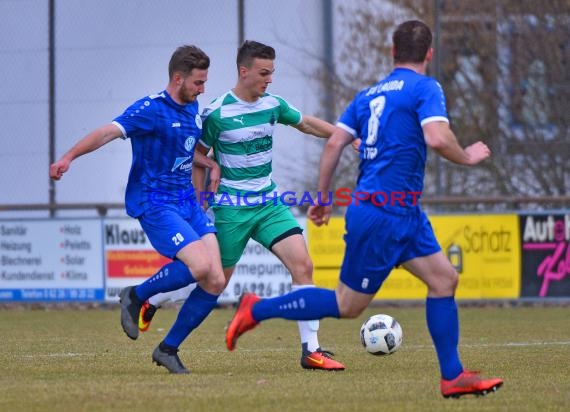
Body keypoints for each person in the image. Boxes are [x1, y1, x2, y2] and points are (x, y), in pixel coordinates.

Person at [225, 21, 504, 398]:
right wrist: (467, 156)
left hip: (403, 212)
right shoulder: (425, 87)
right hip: (383, 212)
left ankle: (452, 376)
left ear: (393, 53)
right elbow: (437, 138)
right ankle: (256, 309)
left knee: (443, 279)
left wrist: (322, 200)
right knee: (346, 305)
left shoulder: (368, 95)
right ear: (430, 54)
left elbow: (334, 144)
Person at [138, 40, 345, 371]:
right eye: (264, 73)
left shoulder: (273, 104)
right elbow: (196, 156)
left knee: (303, 266)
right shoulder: (216, 113)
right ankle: (153, 300)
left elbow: (305, 123)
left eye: (272, 73)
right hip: (231, 210)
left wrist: (344, 135)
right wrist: (198, 204)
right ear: (244, 71)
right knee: (212, 281)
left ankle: (311, 350)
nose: (269, 80)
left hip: (269, 204)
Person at [49, 45, 226, 374]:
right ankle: (136, 294)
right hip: (156, 202)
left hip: (186, 201)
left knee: (216, 279)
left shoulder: (192, 107)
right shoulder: (150, 109)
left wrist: (209, 163)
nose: (203, 89)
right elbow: (106, 132)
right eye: (198, 82)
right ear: (178, 78)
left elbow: (184, 151)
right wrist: (68, 157)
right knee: (200, 266)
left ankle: (168, 349)